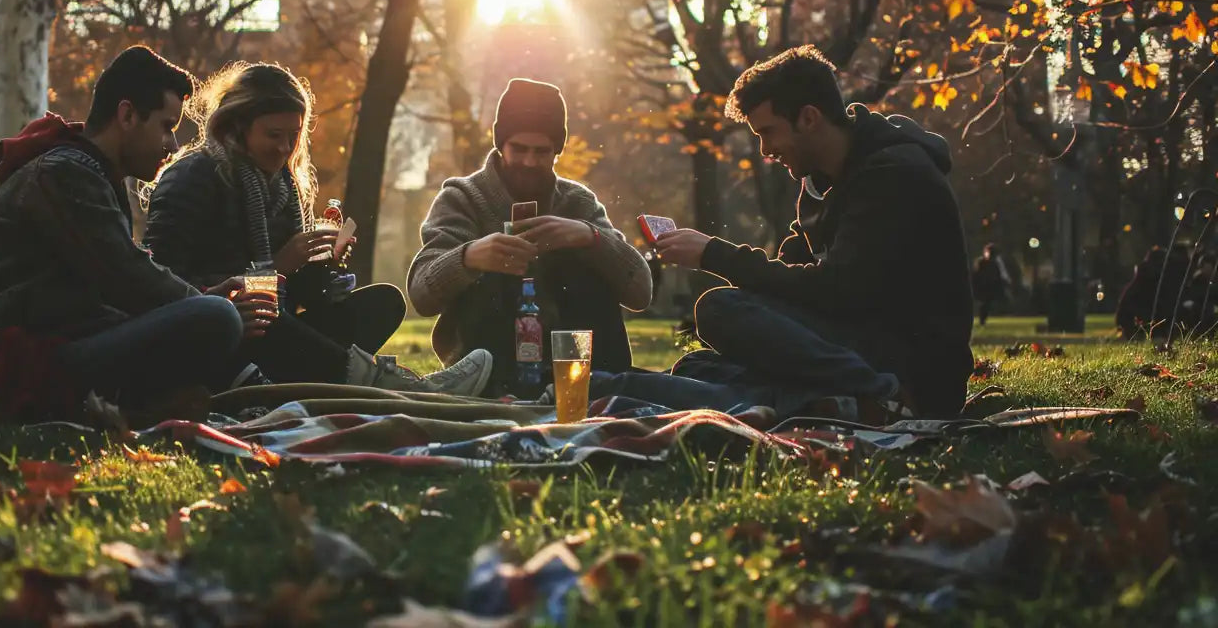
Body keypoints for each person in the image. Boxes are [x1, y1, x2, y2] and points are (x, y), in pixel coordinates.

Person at [653, 46, 974, 420]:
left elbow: (840, 289)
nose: (766, 150)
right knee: (698, 367)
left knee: (718, 308)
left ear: (808, 118)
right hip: (851, 343)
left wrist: (714, 255)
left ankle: (884, 397)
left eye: (768, 132)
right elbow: (788, 282)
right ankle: (830, 403)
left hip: (914, 366)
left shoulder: (895, 173)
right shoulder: (818, 185)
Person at [144, 61, 491, 395]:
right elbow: (160, 283)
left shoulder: (284, 187)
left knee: (384, 302)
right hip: (222, 331)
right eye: (273, 134)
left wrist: (324, 267)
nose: (283, 148)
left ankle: (317, 373)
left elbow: (297, 295)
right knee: (268, 318)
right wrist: (277, 266)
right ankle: (398, 385)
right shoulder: (194, 175)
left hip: (274, 327)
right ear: (237, 126)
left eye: (293, 136)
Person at [0, 46, 251, 420]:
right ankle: (162, 399)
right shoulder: (65, 173)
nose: (173, 146)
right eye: (166, 126)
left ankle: (163, 400)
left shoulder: (87, 171)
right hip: (29, 363)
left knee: (214, 312)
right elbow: (127, 278)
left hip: (65, 340)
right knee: (218, 318)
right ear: (127, 115)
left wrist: (203, 298)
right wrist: (205, 302)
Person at [407, 77, 654, 395]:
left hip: (574, 362)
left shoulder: (577, 202)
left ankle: (601, 385)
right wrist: (469, 257)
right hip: (488, 358)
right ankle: (498, 387)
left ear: (557, 152)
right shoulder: (463, 197)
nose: (529, 161)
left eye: (542, 152)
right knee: (497, 272)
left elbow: (640, 292)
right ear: (500, 144)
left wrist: (590, 238)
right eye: (519, 149)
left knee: (584, 268)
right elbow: (421, 294)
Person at [971, 243, 1012, 325]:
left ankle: (983, 319)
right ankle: (982, 319)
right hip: (983, 285)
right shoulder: (982, 262)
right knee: (984, 303)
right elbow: (976, 274)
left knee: (987, 303)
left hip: (989, 285)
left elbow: (998, 273)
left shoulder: (995, 262)